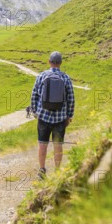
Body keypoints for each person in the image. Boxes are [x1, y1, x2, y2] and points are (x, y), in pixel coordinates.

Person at [31, 51, 75, 179]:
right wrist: (69, 116)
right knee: (58, 145)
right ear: (60, 63)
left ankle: (42, 170)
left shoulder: (42, 76)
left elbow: (34, 95)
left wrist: (35, 112)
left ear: (49, 62)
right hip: (60, 118)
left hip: (43, 117)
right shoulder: (66, 78)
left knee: (42, 144)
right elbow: (71, 99)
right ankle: (57, 172)